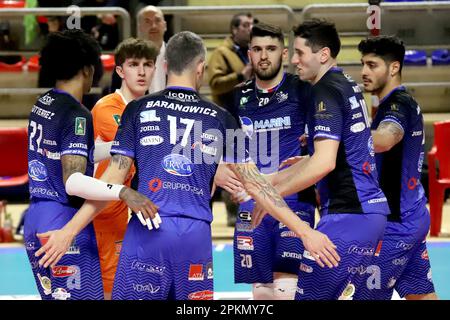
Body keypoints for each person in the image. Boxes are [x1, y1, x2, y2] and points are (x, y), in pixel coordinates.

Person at [34, 31, 340, 300]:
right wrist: (303, 230)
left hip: (147, 230)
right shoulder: (222, 118)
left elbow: (110, 182)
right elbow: (256, 185)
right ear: (201, 68)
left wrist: (69, 230)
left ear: (165, 67)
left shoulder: (137, 110)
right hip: (194, 237)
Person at [247, 19, 391, 300]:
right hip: (367, 214)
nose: (295, 61)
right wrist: (275, 179)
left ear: (322, 54)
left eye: (300, 53)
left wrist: (270, 194)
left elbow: (325, 163)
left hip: (348, 216)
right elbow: (337, 153)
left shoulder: (324, 90)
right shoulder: (345, 83)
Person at [228, 22, 317, 300]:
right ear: (249, 53)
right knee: (262, 291)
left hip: (293, 199)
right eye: (257, 49)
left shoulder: (303, 89)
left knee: (287, 288)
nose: (263, 55)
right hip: (251, 202)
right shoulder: (238, 96)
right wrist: (233, 182)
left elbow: (323, 145)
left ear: (284, 52)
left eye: (271, 48)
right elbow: (231, 150)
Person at [25, 29, 103, 300]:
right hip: (62, 221)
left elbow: (60, 152)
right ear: (87, 68)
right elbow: (74, 181)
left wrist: (119, 151)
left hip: (35, 218)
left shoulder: (43, 102)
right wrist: (118, 191)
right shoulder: (77, 114)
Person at [359, 35, 437, 300]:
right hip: (411, 215)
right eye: (363, 64)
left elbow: (384, 139)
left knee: (363, 295)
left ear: (393, 68)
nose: (363, 72)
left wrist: (340, 135)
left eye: (372, 65)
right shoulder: (395, 103)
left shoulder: (398, 104)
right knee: (421, 296)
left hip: (396, 225)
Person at [90, 37, 158, 300]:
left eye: (147, 64)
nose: (141, 72)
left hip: (134, 204)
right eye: (133, 64)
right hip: (106, 209)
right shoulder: (107, 107)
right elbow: (90, 154)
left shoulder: (151, 107)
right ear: (120, 70)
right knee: (110, 287)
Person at [207, 12, 255, 226]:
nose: (250, 28)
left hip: (250, 116)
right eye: (245, 25)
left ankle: (251, 206)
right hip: (227, 115)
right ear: (234, 29)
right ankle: (232, 212)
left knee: (249, 163)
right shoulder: (221, 53)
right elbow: (215, 83)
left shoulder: (252, 51)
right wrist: (240, 76)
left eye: (252, 24)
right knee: (230, 164)